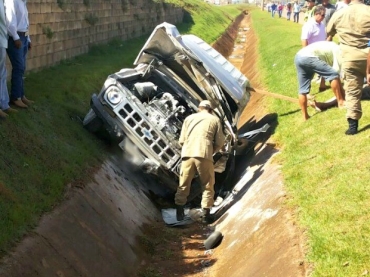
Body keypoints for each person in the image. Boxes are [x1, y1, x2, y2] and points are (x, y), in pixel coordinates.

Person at [174, 100, 225, 223]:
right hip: (204, 154)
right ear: (211, 110)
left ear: (199, 108)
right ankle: (206, 216)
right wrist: (211, 150)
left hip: (187, 154)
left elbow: (181, 141)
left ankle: (179, 213)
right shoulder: (215, 120)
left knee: (184, 184)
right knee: (207, 184)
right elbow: (220, 142)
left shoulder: (189, 118)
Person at [326, 0, 370, 135]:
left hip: (350, 57)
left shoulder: (339, 14)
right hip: (369, 54)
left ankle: (353, 126)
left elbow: (329, 30)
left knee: (352, 91)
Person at [294, 41, 346, 120]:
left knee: (302, 89)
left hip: (298, 57)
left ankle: (305, 116)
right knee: (333, 75)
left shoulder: (331, 46)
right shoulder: (337, 50)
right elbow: (335, 73)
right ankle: (341, 102)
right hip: (309, 57)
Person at [4, 0, 33, 108]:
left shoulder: (23, 2)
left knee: (22, 67)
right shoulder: (12, 0)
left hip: (24, 37)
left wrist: (28, 39)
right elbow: (10, 21)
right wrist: (16, 38)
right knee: (19, 67)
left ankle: (21, 95)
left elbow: (25, 22)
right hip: (15, 38)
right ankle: (15, 97)